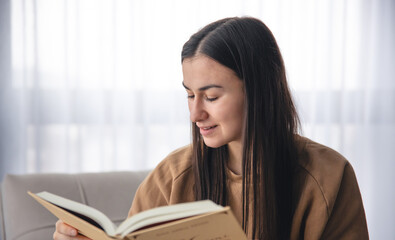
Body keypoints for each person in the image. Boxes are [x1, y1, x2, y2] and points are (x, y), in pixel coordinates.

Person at [53, 17, 369, 240]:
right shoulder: (173, 175)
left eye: (212, 96)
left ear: (260, 90)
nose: (195, 113)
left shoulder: (328, 176)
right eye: (190, 95)